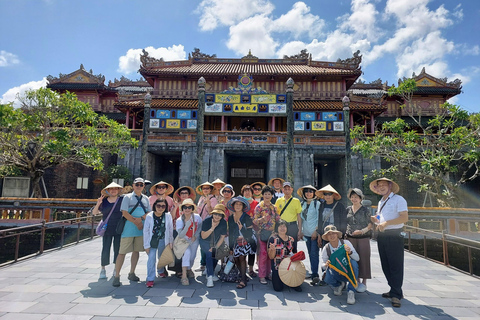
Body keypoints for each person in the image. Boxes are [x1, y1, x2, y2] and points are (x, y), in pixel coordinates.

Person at [370, 177, 408, 308]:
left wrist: (387, 223)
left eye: (383, 185)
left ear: (390, 186)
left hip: (394, 234)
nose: (381, 187)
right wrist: (376, 219)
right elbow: (382, 217)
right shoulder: (381, 201)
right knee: (385, 264)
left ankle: (396, 295)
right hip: (382, 235)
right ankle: (394, 289)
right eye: (379, 185)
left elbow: (404, 217)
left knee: (395, 264)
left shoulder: (399, 199)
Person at [113, 178, 151, 287]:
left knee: (136, 251)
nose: (139, 186)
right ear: (133, 186)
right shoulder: (127, 197)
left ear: (144, 186)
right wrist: (136, 222)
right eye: (137, 184)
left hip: (140, 229)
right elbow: (124, 213)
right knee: (122, 252)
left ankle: (132, 272)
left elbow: (149, 211)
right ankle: (117, 275)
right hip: (128, 229)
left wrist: (141, 219)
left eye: (141, 185)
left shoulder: (146, 198)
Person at [92, 182, 124, 279]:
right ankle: (103, 269)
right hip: (107, 228)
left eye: (115, 189)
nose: (113, 190)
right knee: (105, 248)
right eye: (111, 189)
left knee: (117, 249)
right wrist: (98, 203)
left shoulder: (122, 200)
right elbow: (95, 213)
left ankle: (116, 269)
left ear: (118, 190)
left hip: (118, 227)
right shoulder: (104, 201)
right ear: (108, 191)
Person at [321, 225, 359, 305]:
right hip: (336, 272)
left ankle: (351, 291)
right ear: (327, 237)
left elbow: (357, 258)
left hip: (348, 271)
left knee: (354, 263)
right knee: (326, 277)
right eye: (329, 234)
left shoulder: (345, 243)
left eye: (333, 233)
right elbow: (323, 265)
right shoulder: (326, 248)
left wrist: (350, 253)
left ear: (337, 234)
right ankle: (339, 284)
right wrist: (326, 264)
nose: (332, 236)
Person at [345, 188, 372, 292]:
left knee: (364, 258)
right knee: (353, 259)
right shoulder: (348, 209)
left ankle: (364, 282)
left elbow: (370, 224)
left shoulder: (365, 210)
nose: (354, 199)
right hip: (350, 238)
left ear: (360, 198)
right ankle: (356, 280)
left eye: (356, 197)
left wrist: (362, 231)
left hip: (363, 238)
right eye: (352, 197)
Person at [253, 185, 280, 285]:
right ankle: (261, 275)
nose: (267, 196)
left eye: (269, 194)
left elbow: (278, 219)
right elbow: (254, 221)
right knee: (263, 254)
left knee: (270, 254)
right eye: (265, 194)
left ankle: (268, 273)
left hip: (272, 234)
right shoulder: (259, 207)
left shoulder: (274, 207)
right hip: (262, 233)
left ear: (272, 196)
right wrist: (261, 220)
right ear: (262, 195)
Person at [143, 198, 174, 287]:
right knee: (151, 259)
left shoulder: (168, 216)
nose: (160, 208)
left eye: (163, 206)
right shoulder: (149, 216)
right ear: (155, 206)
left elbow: (170, 229)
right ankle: (150, 279)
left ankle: (160, 271)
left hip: (163, 240)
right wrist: (146, 245)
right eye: (158, 206)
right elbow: (146, 231)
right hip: (152, 240)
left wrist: (170, 242)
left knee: (161, 257)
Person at [296, 185, 321, 284]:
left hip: (314, 232)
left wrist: (316, 231)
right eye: (306, 191)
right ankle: (313, 271)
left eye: (311, 191)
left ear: (314, 193)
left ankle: (315, 274)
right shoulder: (302, 204)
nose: (308, 193)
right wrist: (300, 231)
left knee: (314, 253)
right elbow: (300, 218)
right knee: (310, 253)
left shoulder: (317, 204)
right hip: (306, 233)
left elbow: (320, 218)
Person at [227, 196, 254, 289]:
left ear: (243, 206)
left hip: (245, 241)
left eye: (240, 204)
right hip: (235, 241)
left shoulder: (247, 217)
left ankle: (243, 280)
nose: (238, 206)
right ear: (233, 206)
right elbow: (230, 232)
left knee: (242, 258)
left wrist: (241, 228)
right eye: (236, 204)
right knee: (236, 259)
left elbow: (250, 233)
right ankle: (243, 276)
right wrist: (230, 247)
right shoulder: (230, 218)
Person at [268, 219, 302, 292]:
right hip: (277, 266)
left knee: (297, 286)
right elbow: (271, 257)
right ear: (277, 228)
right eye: (280, 226)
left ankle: (291, 281)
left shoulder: (291, 239)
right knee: (278, 289)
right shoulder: (273, 239)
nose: (282, 228)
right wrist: (272, 250)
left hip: (289, 266)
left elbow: (295, 253)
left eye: (284, 226)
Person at [170, 186, 196, 277]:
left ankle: (187, 268)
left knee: (189, 251)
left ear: (189, 195)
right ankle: (178, 270)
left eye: (186, 193)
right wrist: (176, 206)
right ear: (179, 195)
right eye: (182, 193)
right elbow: (172, 217)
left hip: (189, 231)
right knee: (178, 250)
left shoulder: (191, 204)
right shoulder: (176, 204)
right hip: (176, 229)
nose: (184, 195)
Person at [200, 204, 228, 287]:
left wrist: (215, 247)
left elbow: (222, 237)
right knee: (209, 255)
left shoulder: (223, 222)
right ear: (212, 214)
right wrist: (212, 228)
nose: (217, 216)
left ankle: (209, 271)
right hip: (205, 241)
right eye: (216, 214)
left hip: (216, 242)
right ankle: (210, 277)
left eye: (220, 215)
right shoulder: (207, 221)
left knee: (215, 254)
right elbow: (203, 236)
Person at [176, 198, 202, 286]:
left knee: (192, 256)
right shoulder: (179, 220)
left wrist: (195, 236)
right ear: (182, 209)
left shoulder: (197, 217)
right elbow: (180, 235)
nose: (187, 209)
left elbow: (199, 227)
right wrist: (187, 225)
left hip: (194, 240)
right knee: (187, 254)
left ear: (192, 208)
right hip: (184, 241)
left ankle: (189, 269)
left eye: (189, 207)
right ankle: (184, 275)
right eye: (185, 207)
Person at [196, 182, 218, 272]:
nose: (205, 190)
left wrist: (209, 205)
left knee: (210, 244)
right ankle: (203, 264)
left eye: (207, 188)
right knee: (202, 244)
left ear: (210, 190)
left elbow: (212, 213)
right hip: (201, 223)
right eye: (203, 188)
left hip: (209, 224)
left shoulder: (213, 199)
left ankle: (210, 265)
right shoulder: (201, 198)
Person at [274, 182, 302, 252]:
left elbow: (299, 216)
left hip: (292, 226)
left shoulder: (296, 201)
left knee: (293, 247)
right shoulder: (279, 200)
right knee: (281, 246)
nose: (287, 191)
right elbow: (276, 215)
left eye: (288, 189)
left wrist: (300, 230)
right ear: (282, 190)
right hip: (282, 226)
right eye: (285, 189)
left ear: (292, 190)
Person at [241, 184, 259, 278]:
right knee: (243, 248)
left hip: (253, 229)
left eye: (249, 191)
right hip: (242, 229)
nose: (247, 193)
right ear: (242, 193)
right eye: (245, 191)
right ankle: (242, 268)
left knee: (252, 249)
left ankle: (251, 268)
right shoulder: (240, 203)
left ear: (252, 193)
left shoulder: (256, 203)